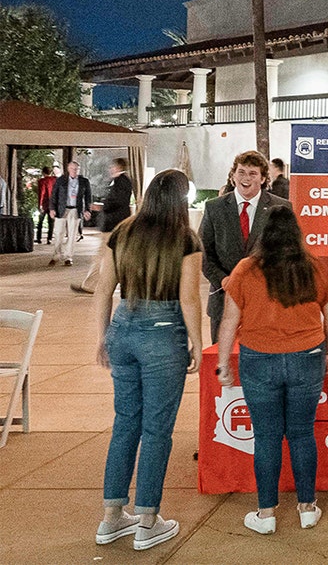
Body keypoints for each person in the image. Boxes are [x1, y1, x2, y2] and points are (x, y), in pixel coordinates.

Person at [93, 169, 203, 551]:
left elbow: (104, 290)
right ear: (179, 200)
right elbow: (189, 298)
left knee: (125, 423)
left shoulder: (122, 231)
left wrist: (102, 336)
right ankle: (148, 520)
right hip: (163, 332)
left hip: (122, 327)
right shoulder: (186, 239)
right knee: (157, 429)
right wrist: (197, 343)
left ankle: (111, 517)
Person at [216, 205, 328, 535]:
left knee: (267, 437)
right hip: (307, 357)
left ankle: (266, 513)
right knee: (302, 433)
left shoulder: (244, 270)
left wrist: (222, 363)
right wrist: (327, 351)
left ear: (262, 234)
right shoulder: (313, 268)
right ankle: (308, 507)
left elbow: (229, 321)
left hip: (259, 359)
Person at [200, 151, 290, 344]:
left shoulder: (281, 208)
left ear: (263, 178)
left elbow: (288, 253)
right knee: (222, 363)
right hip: (223, 300)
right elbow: (204, 253)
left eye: (252, 173)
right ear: (233, 176)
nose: (246, 178)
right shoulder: (214, 208)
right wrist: (223, 280)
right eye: (241, 172)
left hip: (266, 304)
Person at [76, 158, 134, 294]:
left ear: (118, 167)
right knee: (111, 256)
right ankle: (94, 284)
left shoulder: (121, 181)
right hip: (116, 224)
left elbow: (117, 201)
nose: (110, 169)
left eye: (112, 167)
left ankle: (91, 285)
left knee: (102, 255)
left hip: (113, 224)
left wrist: (101, 206)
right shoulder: (123, 181)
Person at [48, 160, 92, 266]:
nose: (74, 171)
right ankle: (56, 255)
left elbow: (88, 197)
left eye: (76, 169)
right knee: (58, 233)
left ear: (79, 170)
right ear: (68, 169)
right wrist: (52, 208)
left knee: (72, 235)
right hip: (61, 209)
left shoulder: (84, 181)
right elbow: (54, 195)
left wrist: (87, 210)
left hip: (75, 209)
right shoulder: (61, 180)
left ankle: (68, 257)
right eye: (72, 168)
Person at [35, 166, 56, 244]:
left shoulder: (41, 181)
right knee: (51, 222)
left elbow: (42, 193)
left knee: (40, 222)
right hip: (52, 204)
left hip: (44, 204)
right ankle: (49, 239)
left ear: (43, 172)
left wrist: (40, 204)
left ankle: (39, 238)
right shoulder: (54, 180)